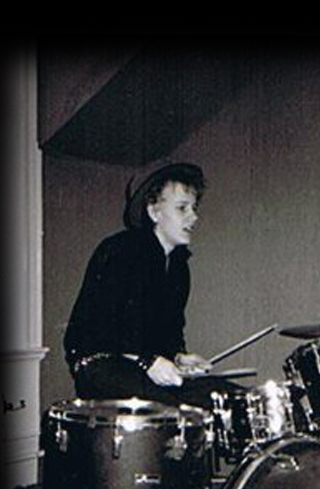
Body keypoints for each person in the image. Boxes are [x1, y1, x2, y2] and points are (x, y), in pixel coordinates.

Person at [63, 162, 241, 408]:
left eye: (194, 208)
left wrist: (179, 358)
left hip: (144, 368)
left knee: (230, 398)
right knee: (177, 411)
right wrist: (147, 361)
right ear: (154, 212)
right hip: (100, 365)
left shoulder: (179, 268)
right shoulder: (120, 250)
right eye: (182, 208)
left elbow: (169, 336)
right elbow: (103, 330)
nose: (194, 216)